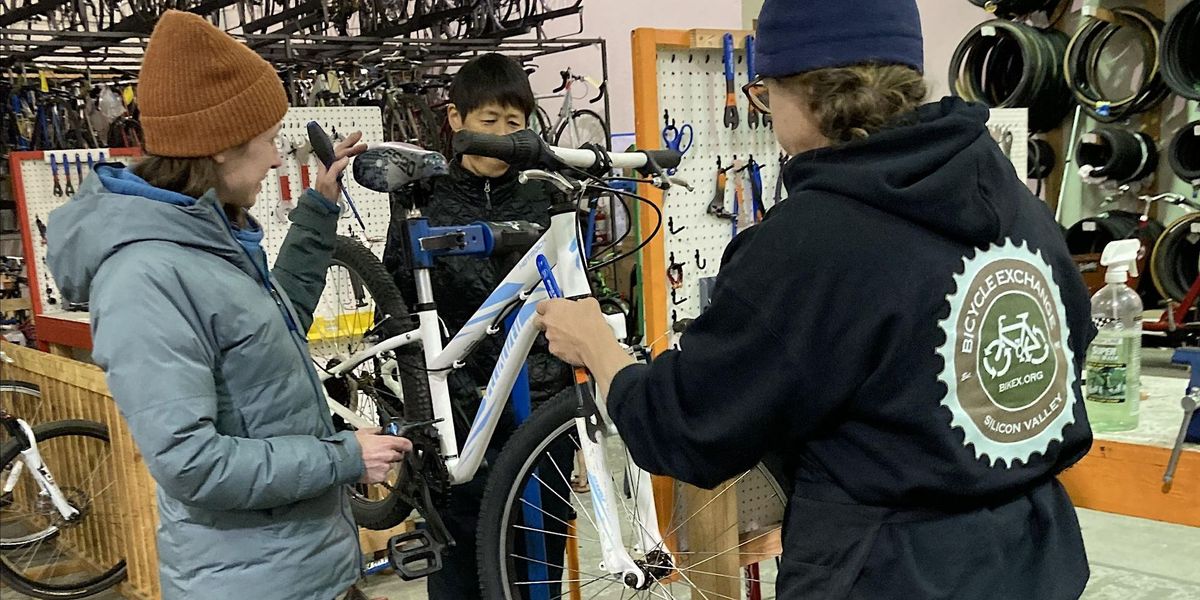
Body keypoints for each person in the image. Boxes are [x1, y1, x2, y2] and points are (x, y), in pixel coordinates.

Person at [537, 1, 1095, 598]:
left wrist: (599, 348)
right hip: (1036, 558)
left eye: (765, 92)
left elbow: (687, 429)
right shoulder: (1011, 198)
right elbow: (1065, 350)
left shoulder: (810, 241)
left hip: (889, 575)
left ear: (803, 92)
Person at [45, 11, 411, 600]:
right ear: (218, 149)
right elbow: (193, 462)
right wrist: (342, 458)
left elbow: (274, 324)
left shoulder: (205, 243)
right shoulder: (145, 278)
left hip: (305, 567)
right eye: (266, 141)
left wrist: (318, 209)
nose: (274, 159)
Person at [382, 52, 574, 599]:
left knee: (538, 567)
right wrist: (435, 401)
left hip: (539, 406)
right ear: (456, 121)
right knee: (461, 567)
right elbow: (394, 316)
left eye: (515, 124)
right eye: (488, 122)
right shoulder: (423, 203)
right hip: (457, 414)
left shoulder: (548, 196)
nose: (501, 137)